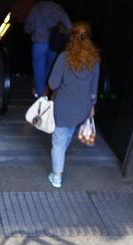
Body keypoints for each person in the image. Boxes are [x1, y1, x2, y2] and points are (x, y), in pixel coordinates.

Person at [45, 21, 100, 188]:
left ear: (72, 37)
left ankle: (57, 176)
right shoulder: (94, 61)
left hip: (64, 108)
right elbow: (93, 90)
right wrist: (91, 107)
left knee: (59, 141)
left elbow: (53, 84)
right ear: (88, 38)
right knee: (67, 134)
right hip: (81, 109)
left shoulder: (64, 58)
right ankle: (59, 160)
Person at [24, 1, 71, 98]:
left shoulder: (36, 8)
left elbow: (28, 27)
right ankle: (42, 89)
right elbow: (69, 27)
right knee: (48, 68)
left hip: (39, 43)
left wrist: (33, 30)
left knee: (39, 70)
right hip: (53, 44)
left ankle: (41, 96)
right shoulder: (58, 9)